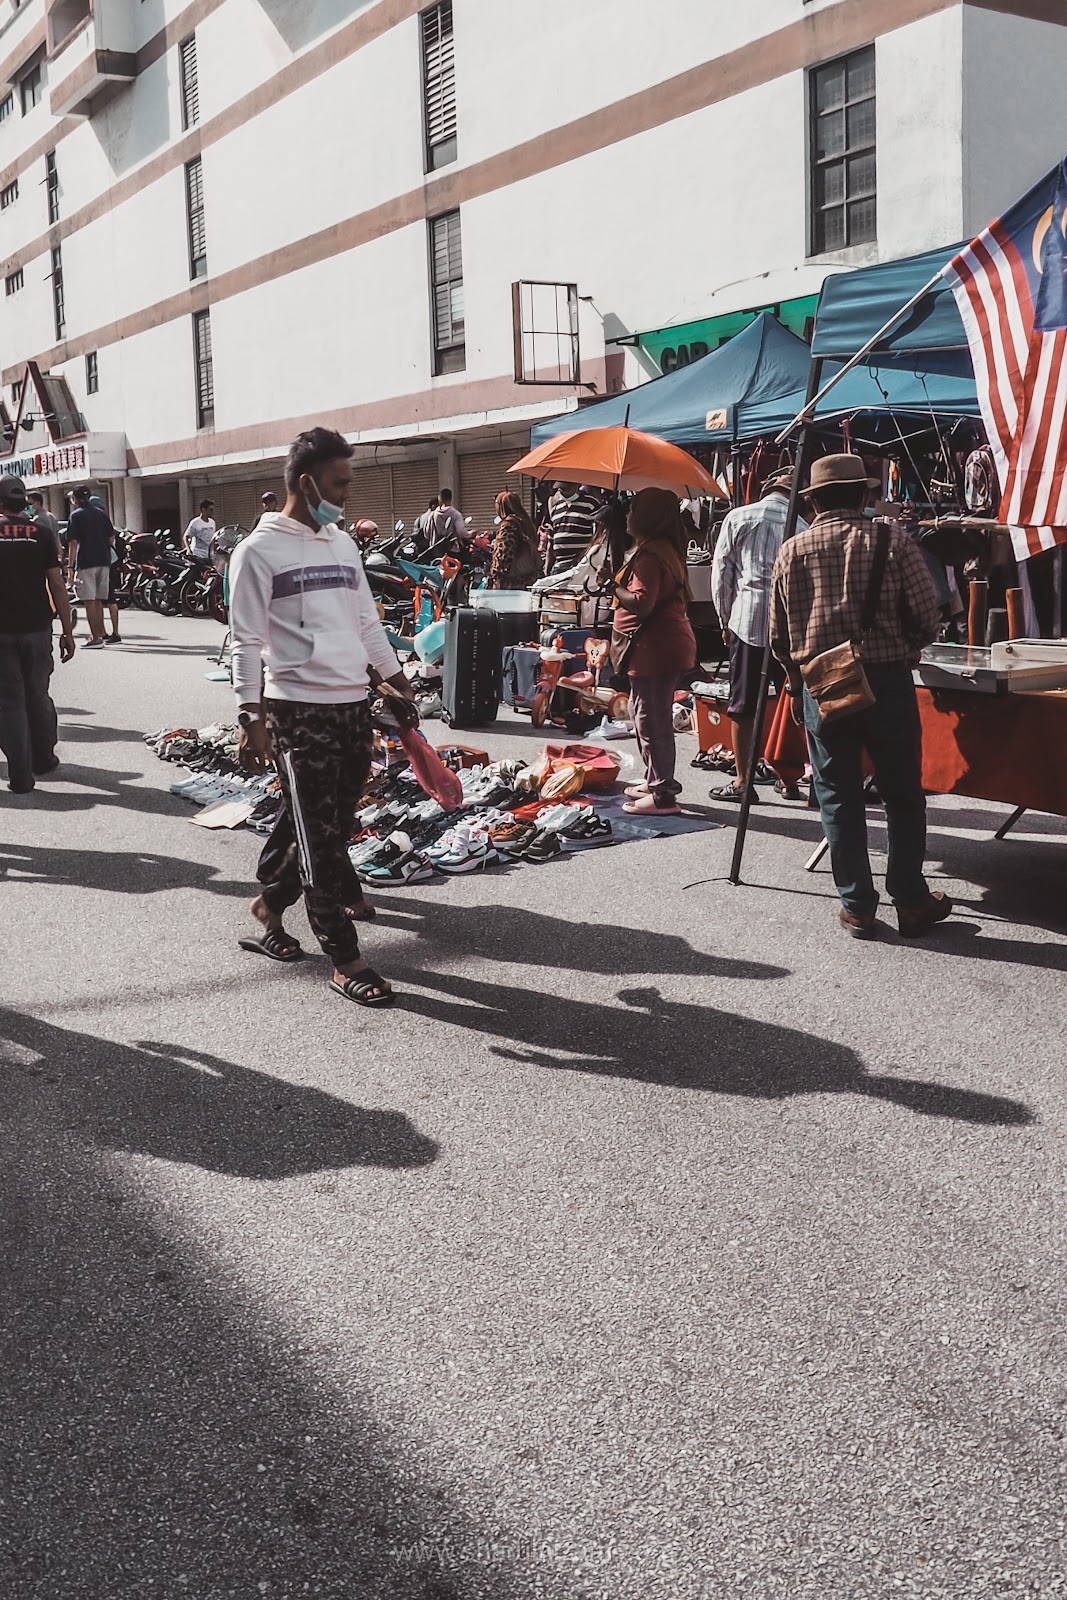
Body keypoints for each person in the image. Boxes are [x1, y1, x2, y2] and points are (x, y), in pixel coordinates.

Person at [228, 426, 417, 1007]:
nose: (347, 494)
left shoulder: (341, 543)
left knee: (326, 821)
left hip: (353, 705)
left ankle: (269, 903)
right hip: (297, 709)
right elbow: (245, 640)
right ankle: (345, 957)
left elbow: (366, 623)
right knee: (321, 838)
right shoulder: (256, 552)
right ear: (307, 483)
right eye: (340, 483)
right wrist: (249, 716)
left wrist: (397, 682)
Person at [770, 454, 947, 939]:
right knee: (902, 794)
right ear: (865, 495)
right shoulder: (894, 541)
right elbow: (927, 619)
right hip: (886, 678)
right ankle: (910, 899)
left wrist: (795, 680)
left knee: (837, 795)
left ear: (815, 500)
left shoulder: (792, 551)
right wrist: (906, 647)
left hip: (823, 682)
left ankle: (857, 906)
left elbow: (780, 640)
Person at [710, 469, 806, 802]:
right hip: (790, 626)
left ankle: (742, 781)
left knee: (743, 705)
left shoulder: (739, 517)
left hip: (747, 618)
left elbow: (722, 571)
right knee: (790, 702)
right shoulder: (803, 526)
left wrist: (724, 617)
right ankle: (790, 779)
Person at [603, 487, 696, 815]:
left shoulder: (652, 555)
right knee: (644, 715)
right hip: (657, 649)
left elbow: (641, 604)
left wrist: (613, 587)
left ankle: (662, 795)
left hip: (656, 650)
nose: (629, 515)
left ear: (649, 516)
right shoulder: (658, 549)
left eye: (634, 509)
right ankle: (655, 779)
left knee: (651, 719)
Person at [0, 473, 75, 792]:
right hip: (37, 628)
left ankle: (20, 776)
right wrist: (68, 630)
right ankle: (44, 758)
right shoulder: (42, 533)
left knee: (10, 701)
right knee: (38, 693)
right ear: (24, 501)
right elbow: (57, 584)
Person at [66, 485, 115, 649]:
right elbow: (111, 539)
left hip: (86, 561)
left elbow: (73, 542)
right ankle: (100, 633)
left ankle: (95, 638)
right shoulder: (101, 513)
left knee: (89, 600)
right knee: (99, 600)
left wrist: (70, 566)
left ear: (76, 498)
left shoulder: (75, 515)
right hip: (104, 560)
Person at [89, 495, 125, 645]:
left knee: (100, 598)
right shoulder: (105, 520)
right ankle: (109, 631)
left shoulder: (93, 522)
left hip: (102, 561)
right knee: (109, 598)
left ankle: (105, 632)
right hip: (111, 561)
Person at [487, 492, 540, 588]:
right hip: (530, 579)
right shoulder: (525, 522)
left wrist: (492, 580)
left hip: (513, 585)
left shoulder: (508, 525)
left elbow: (502, 556)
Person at [547, 482, 601, 575]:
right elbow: (551, 542)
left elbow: (599, 535)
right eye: (561, 489)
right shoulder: (556, 508)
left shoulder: (590, 504)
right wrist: (547, 567)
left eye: (567, 489)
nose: (564, 492)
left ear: (576, 486)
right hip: (559, 566)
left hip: (581, 564)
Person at [184, 498, 216, 564]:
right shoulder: (195, 522)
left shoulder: (212, 522)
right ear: (203, 510)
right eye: (210, 509)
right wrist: (188, 550)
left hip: (209, 555)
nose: (212, 512)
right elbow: (186, 537)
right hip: (198, 555)